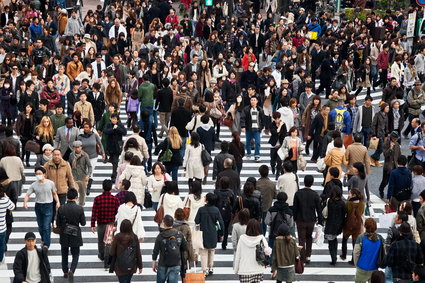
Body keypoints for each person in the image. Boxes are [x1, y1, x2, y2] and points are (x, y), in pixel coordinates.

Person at [23, 166, 60, 248]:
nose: (38, 175)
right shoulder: (34, 185)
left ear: (44, 174)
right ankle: (44, 239)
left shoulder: (50, 183)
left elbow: (54, 193)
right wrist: (25, 202)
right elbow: (28, 194)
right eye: (36, 174)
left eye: (40, 173)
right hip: (38, 206)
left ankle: (46, 244)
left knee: (46, 226)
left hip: (48, 205)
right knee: (41, 226)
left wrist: (57, 202)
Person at [56, 188, 86, 281]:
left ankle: (65, 271)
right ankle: (72, 270)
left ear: (67, 197)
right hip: (75, 233)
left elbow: (58, 223)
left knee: (64, 253)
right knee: (76, 254)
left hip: (64, 233)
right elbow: (83, 223)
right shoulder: (79, 209)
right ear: (76, 197)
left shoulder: (61, 208)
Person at [293, 175, 323, 263]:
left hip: (300, 219)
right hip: (311, 220)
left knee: (301, 239)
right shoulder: (315, 194)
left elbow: (295, 208)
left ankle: (302, 257)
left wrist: (294, 218)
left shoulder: (298, 193)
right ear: (312, 183)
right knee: (309, 237)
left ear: (304, 181)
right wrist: (320, 221)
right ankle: (308, 255)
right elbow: (319, 209)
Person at [90, 179, 120, 266]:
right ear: (111, 188)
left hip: (101, 223)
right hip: (110, 223)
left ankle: (102, 255)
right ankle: (108, 258)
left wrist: (92, 224)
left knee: (100, 241)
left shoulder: (97, 199)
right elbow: (117, 213)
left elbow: (94, 212)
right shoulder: (115, 199)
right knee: (109, 242)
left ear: (102, 188)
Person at [195, 193, 224, 277]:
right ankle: (210, 267)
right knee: (212, 250)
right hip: (213, 233)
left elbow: (197, 221)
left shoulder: (201, 209)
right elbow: (221, 222)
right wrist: (221, 233)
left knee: (203, 252)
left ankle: (205, 270)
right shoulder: (216, 210)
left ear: (206, 200)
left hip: (203, 233)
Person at [152, 214, 188, 283]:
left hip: (163, 263)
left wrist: (154, 262)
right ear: (173, 223)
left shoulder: (160, 236)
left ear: (164, 223)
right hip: (176, 262)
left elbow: (155, 251)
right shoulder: (179, 234)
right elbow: (185, 247)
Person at [353, 218, 385, 283]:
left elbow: (356, 253)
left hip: (362, 267)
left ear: (365, 226)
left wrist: (357, 264)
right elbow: (384, 251)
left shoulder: (361, 237)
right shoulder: (380, 238)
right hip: (374, 268)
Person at [341, 188, 366, 264]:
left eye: (350, 193)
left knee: (344, 239)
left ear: (353, 195)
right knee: (354, 243)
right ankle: (353, 259)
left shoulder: (348, 203)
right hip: (358, 225)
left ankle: (344, 255)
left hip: (348, 224)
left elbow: (345, 213)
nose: (348, 195)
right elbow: (361, 213)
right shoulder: (362, 204)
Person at [324, 188, 345, 265]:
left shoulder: (330, 202)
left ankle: (333, 257)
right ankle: (335, 255)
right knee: (334, 239)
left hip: (330, 223)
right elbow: (343, 215)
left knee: (330, 242)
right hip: (338, 225)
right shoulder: (342, 203)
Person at [103, 113, 127, 182]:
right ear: (110, 118)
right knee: (113, 160)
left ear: (117, 119)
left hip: (117, 146)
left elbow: (124, 132)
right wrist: (113, 129)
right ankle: (114, 172)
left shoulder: (120, 124)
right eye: (112, 119)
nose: (114, 120)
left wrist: (118, 128)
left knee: (115, 161)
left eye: (115, 119)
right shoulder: (108, 124)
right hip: (110, 145)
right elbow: (105, 131)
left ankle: (114, 176)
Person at [214, 176, 236, 250]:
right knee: (226, 228)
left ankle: (218, 237)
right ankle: (224, 242)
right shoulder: (231, 192)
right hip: (227, 212)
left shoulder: (216, 192)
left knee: (217, 225)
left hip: (218, 211)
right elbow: (233, 203)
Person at [241, 95, 265, 162]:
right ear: (250, 101)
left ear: (257, 101)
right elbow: (242, 118)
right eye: (252, 100)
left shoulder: (260, 109)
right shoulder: (246, 109)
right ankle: (248, 154)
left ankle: (257, 155)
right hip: (249, 128)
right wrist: (243, 126)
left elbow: (263, 119)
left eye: (254, 100)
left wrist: (262, 127)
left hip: (257, 129)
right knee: (248, 142)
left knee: (257, 142)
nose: (253, 101)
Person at [68, 141, 92, 206]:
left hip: (83, 177)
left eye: (78, 147)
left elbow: (89, 166)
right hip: (74, 176)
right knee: (74, 192)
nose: (77, 149)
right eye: (75, 147)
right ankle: (74, 205)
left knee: (82, 193)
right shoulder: (71, 155)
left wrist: (88, 175)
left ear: (81, 147)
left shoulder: (85, 155)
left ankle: (81, 205)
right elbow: (69, 165)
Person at [379, 131, 401, 199]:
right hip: (388, 166)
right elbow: (385, 155)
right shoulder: (385, 144)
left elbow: (399, 154)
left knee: (394, 182)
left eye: (397, 139)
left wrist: (399, 163)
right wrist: (390, 148)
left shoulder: (397, 144)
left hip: (395, 166)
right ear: (391, 138)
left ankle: (392, 194)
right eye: (395, 138)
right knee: (385, 181)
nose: (396, 140)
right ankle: (381, 189)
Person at [256, 165, 276, 235]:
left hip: (258, 207)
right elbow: (275, 196)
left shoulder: (257, 183)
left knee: (259, 224)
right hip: (267, 206)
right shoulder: (272, 184)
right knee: (265, 224)